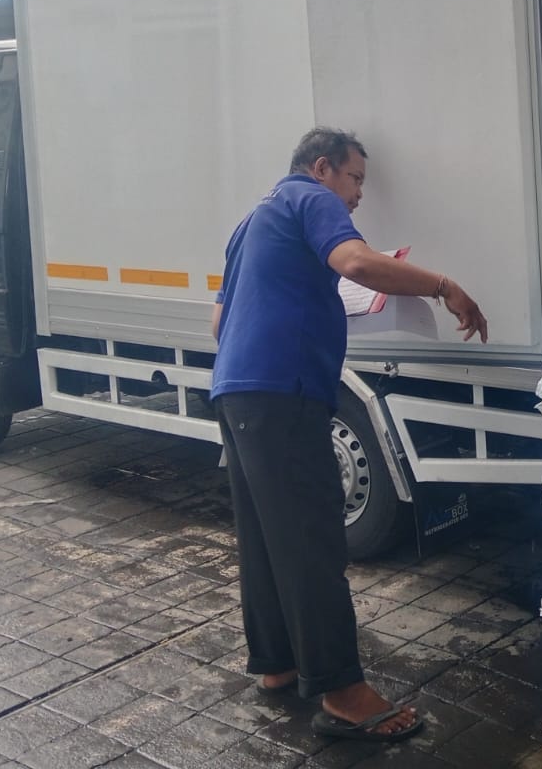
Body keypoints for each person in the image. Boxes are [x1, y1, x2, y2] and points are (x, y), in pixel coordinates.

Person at [210, 127, 488, 745]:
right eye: (356, 178)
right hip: (282, 394)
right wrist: (445, 286)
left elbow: (219, 319)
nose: (359, 193)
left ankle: (278, 664)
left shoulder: (254, 218)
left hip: (238, 391)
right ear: (322, 169)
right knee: (312, 541)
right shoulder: (311, 199)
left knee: (266, 538)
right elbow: (358, 263)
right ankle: (343, 694)